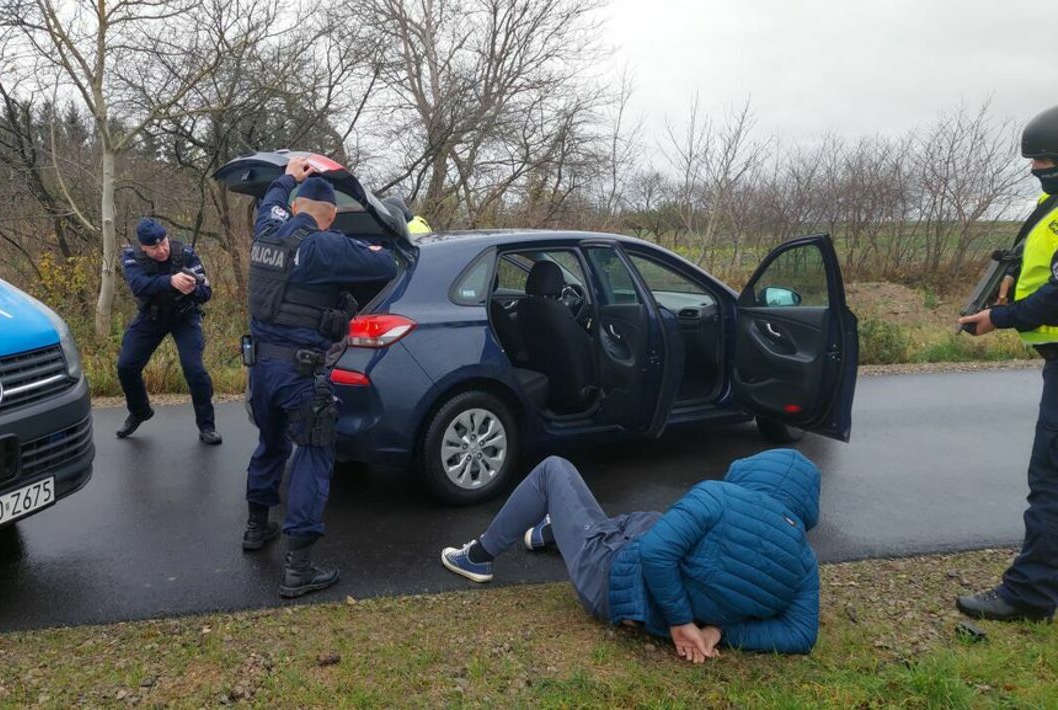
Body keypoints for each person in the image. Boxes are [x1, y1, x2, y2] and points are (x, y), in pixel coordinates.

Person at [440, 450, 822, 661]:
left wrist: (682, 621)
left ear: (756, 471)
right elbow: (801, 635)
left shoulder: (718, 497)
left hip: (611, 584)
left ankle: (477, 556)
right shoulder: (805, 562)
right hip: (636, 574)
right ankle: (553, 531)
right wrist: (716, 630)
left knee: (553, 469)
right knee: (652, 519)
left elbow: (656, 554)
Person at [243, 156, 396, 598]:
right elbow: (386, 265)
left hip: (260, 368)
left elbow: (271, 199)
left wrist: (289, 175)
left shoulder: (268, 228)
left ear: (295, 207)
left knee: (270, 444)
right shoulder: (323, 246)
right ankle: (299, 568)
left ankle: (256, 528)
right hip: (299, 370)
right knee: (313, 453)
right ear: (329, 220)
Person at [957, 105, 1058, 622]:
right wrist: (1012, 284)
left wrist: (1000, 316)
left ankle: (1031, 594)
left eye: (1045, 157)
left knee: (1052, 481)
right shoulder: (1052, 208)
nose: (1037, 168)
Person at [115, 217, 222, 446]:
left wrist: (194, 288)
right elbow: (139, 285)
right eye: (154, 247)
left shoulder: (185, 253)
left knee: (195, 370)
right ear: (143, 247)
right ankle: (140, 410)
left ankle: (207, 426)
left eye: (163, 242)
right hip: (152, 317)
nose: (162, 249)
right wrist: (170, 281)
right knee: (126, 366)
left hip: (185, 316)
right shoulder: (132, 256)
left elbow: (206, 293)